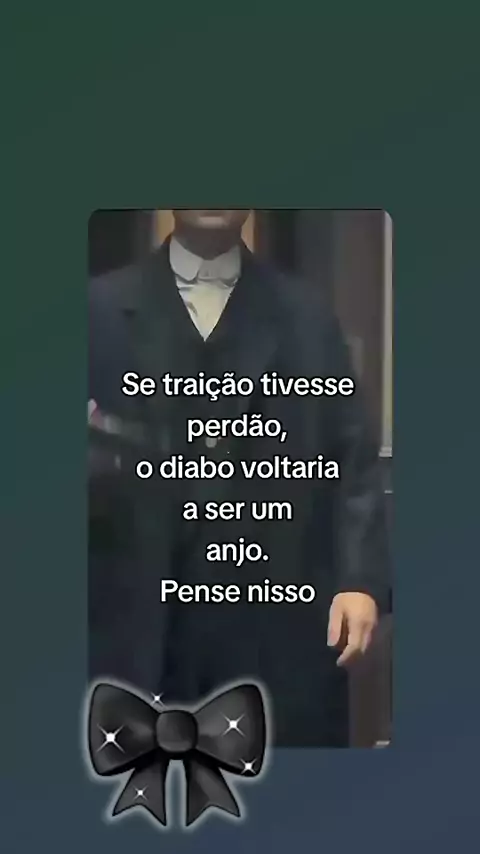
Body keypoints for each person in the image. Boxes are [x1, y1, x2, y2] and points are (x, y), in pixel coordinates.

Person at [88, 209, 390, 747]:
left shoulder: (307, 316)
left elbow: (353, 459)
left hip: (274, 630)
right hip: (133, 631)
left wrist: (360, 581)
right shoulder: (96, 312)